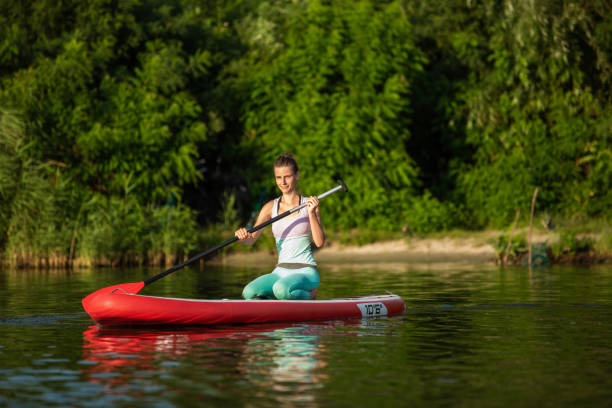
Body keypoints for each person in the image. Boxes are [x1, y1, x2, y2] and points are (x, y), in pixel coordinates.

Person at [235, 153, 324, 300]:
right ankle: (274, 302)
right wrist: (242, 237)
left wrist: (312, 213)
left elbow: (319, 242)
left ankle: (309, 295)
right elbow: (250, 240)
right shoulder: (270, 208)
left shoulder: (309, 204)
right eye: (278, 177)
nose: (283, 182)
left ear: (297, 176)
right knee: (249, 292)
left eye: (287, 176)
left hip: (306, 272)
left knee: (281, 289)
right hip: (280, 272)